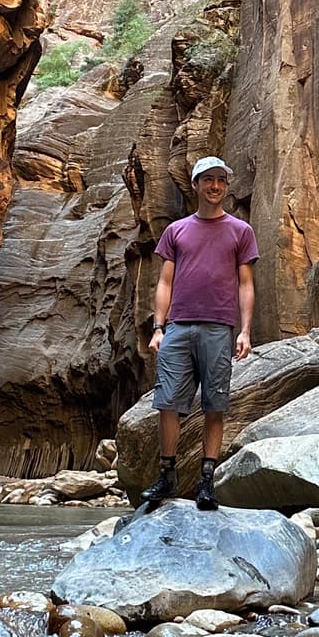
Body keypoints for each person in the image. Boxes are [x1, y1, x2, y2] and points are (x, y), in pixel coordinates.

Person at [140, 156, 258, 511]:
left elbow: (246, 284)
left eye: (221, 180)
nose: (215, 186)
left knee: (215, 404)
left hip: (219, 328)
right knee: (167, 402)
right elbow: (164, 281)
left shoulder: (241, 231)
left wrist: (246, 331)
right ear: (195, 185)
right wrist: (158, 328)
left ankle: (206, 482)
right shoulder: (176, 231)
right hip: (177, 326)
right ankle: (167, 475)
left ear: (226, 186)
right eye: (208, 180)